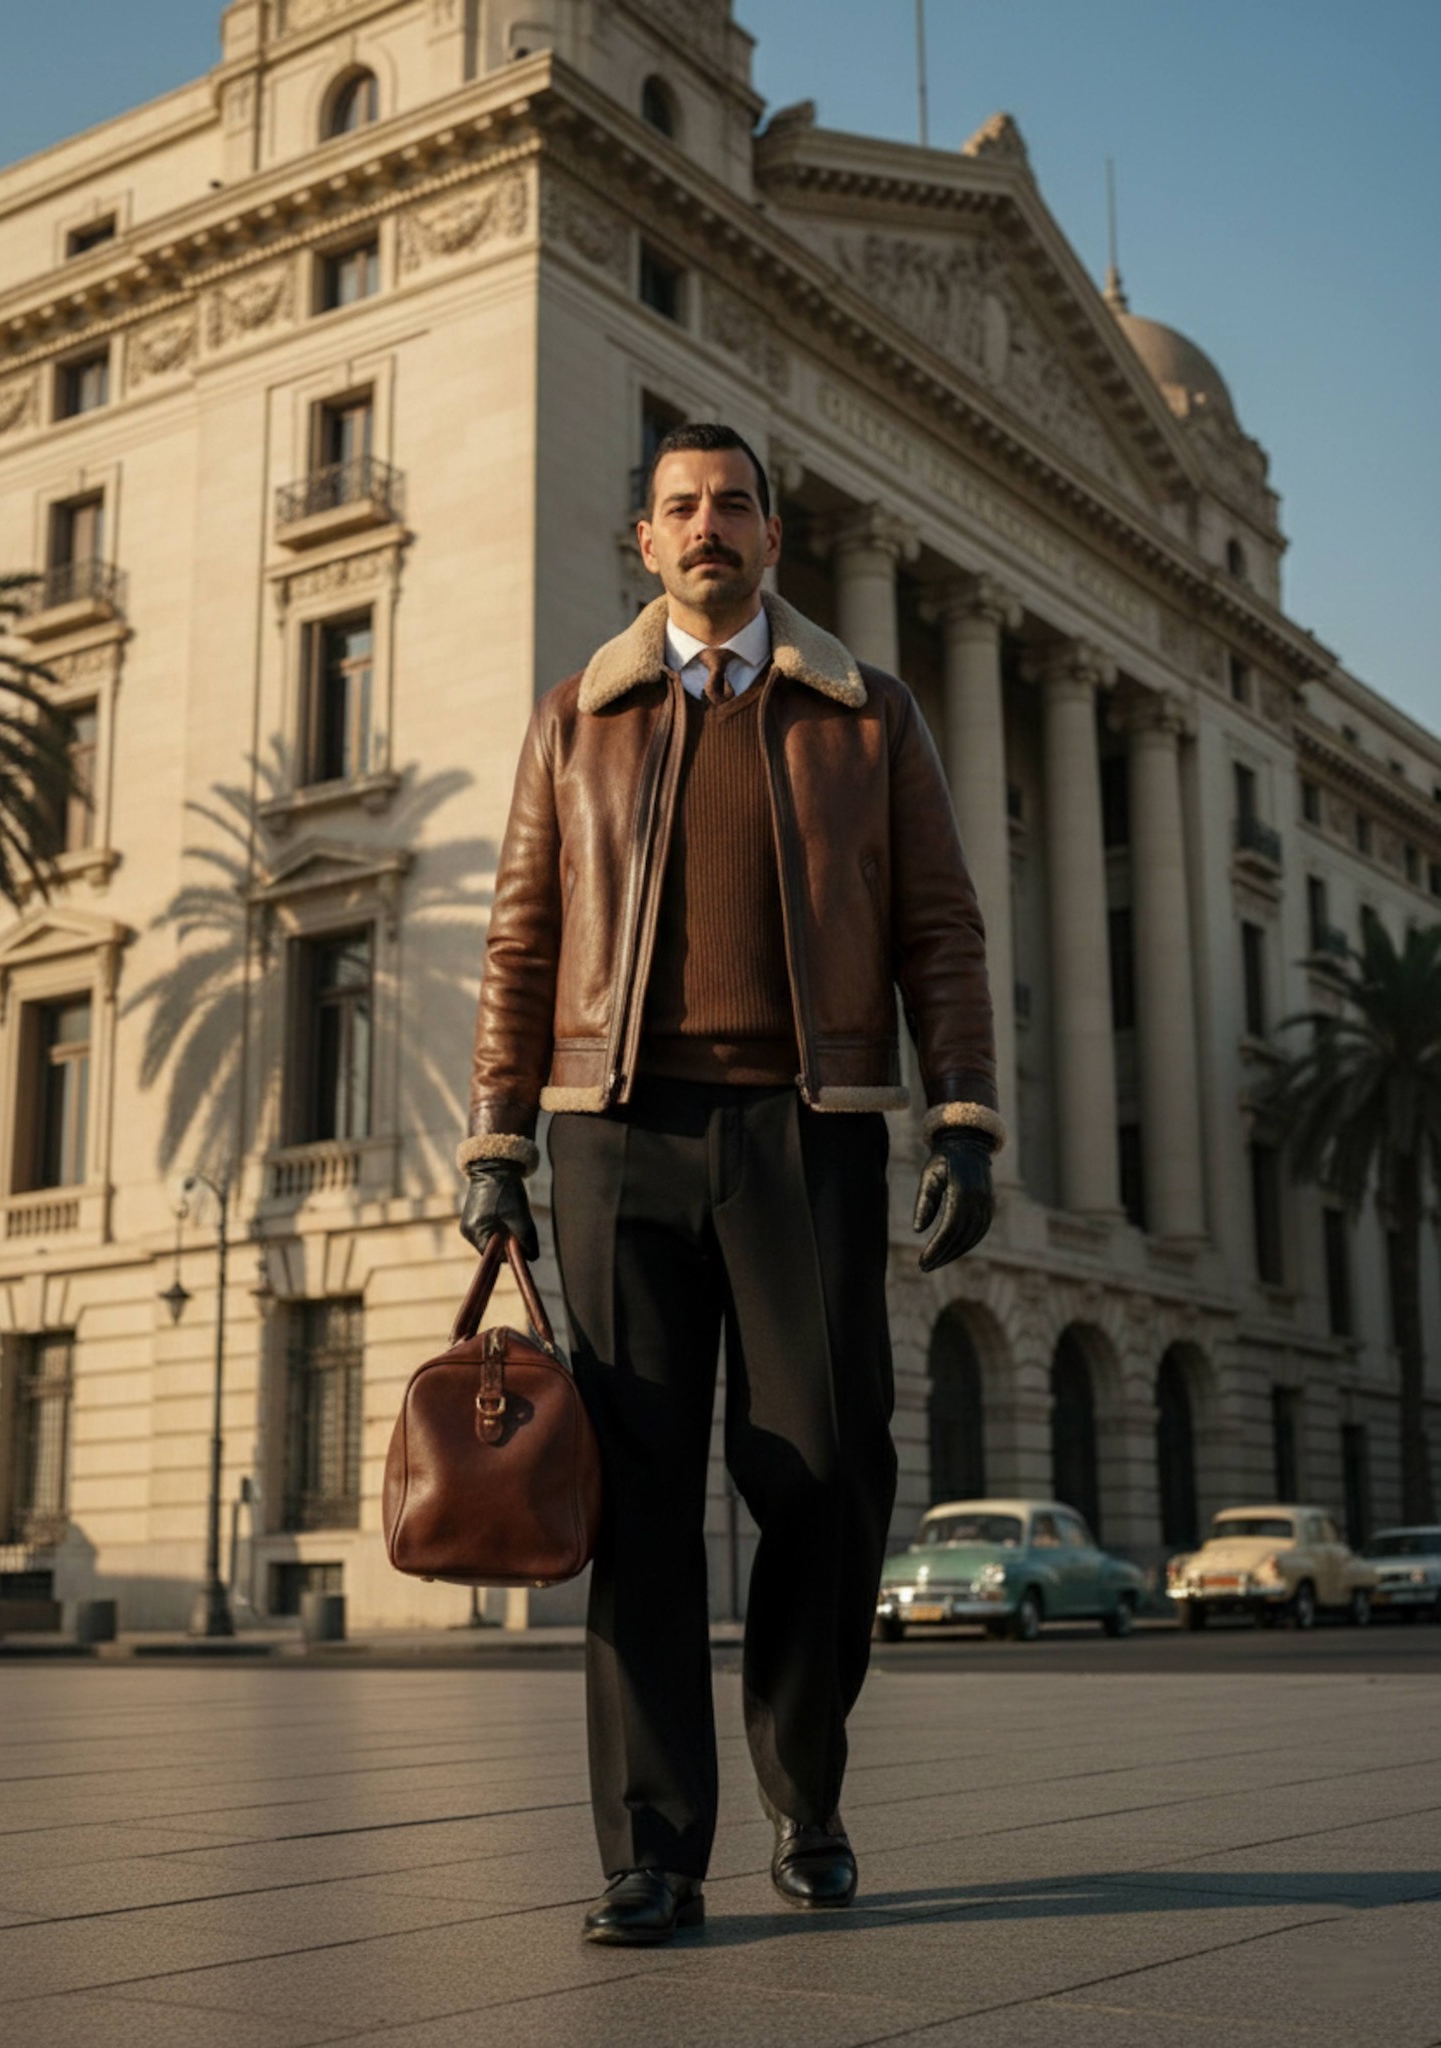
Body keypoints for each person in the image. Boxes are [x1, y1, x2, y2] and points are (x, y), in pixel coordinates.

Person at [458, 423, 1002, 1945]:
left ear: (773, 535)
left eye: (736, 505)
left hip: (805, 1126)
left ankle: (805, 1793)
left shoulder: (866, 713)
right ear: (645, 541)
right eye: (682, 506)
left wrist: (963, 1117)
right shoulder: (576, 717)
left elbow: (941, 927)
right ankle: (652, 1851)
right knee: (636, 1499)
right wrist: (497, 1139)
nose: (709, 526)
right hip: (613, 1133)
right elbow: (519, 940)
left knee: (828, 1473)